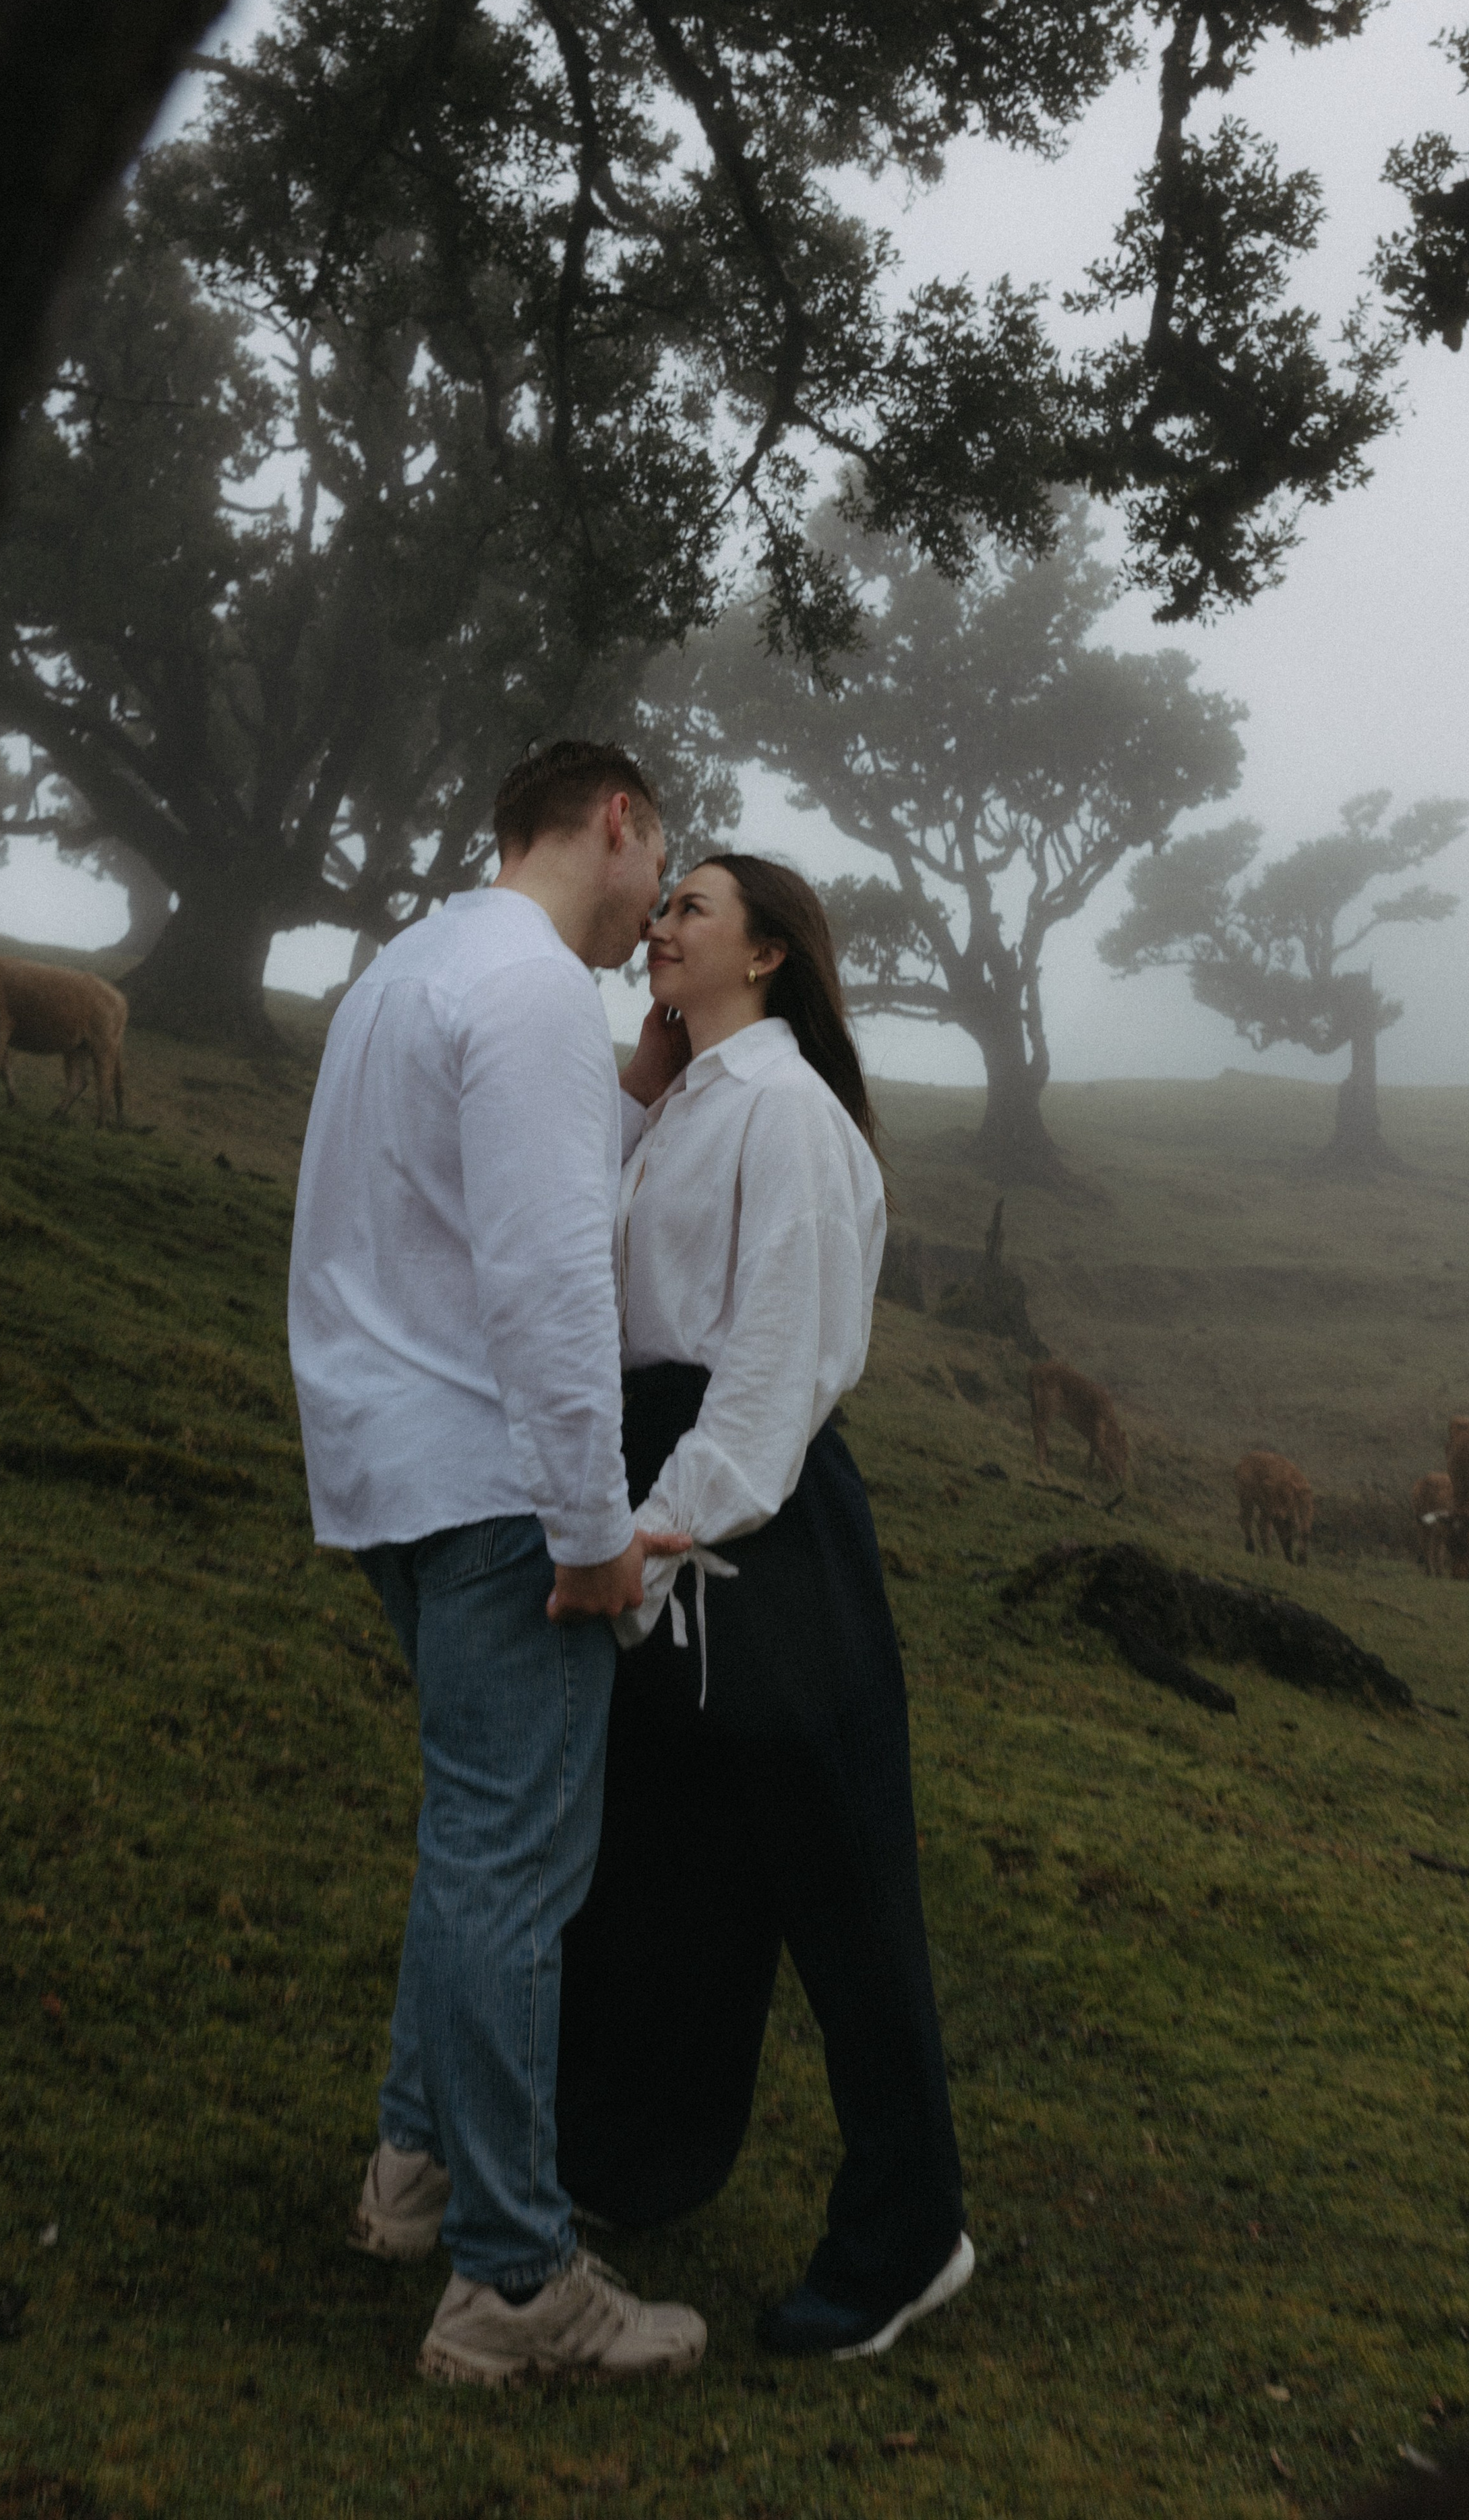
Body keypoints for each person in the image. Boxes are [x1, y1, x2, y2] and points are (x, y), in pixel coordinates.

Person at [287, 740, 707, 2389]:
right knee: (516, 1868)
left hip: (390, 1470)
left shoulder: (410, 967)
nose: (655, 907)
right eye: (656, 861)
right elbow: (543, 1280)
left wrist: (625, 1099)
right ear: (614, 820)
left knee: (470, 1845)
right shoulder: (533, 991)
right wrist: (592, 1531)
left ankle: (415, 2171)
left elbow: (431, 1212)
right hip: (499, 1494)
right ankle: (511, 2282)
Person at [555, 855, 972, 2359]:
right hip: (666, 1500)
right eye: (657, 906)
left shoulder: (789, 1116)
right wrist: (642, 1081)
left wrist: (651, 1536)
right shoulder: (689, 1101)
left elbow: (776, 1368)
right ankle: (624, 2163)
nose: (658, 925)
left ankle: (905, 2235)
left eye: (693, 910)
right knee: (667, 1860)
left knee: (839, 1888)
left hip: (761, 1531)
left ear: (773, 955)